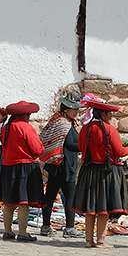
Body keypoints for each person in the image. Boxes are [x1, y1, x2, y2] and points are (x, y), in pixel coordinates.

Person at [72, 99, 128, 249]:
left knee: (90, 207)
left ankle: (88, 240)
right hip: (107, 173)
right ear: (104, 114)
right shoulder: (110, 130)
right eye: (110, 114)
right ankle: (101, 241)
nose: (111, 117)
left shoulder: (85, 129)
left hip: (89, 171)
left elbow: (81, 147)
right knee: (103, 208)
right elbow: (119, 151)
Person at [38, 92, 83, 238]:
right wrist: (85, 146)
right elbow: (69, 144)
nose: (76, 112)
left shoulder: (57, 120)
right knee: (70, 196)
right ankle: (69, 227)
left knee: (50, 195)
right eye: (74, 109)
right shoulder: (64, 124)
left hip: (55, 165)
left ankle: (45, 226)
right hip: (65, 165)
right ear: (66, 108)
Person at [0, 101, 45, 242]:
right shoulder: (25, 127)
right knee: (23, 201)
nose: (29, 116)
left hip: (8, 167)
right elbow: (38, 150)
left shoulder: (6, 128)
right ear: (23, 114)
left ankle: (7, 231)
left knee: (9, 202)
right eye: (28, 114)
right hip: (24, 168)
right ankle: (23, 232)